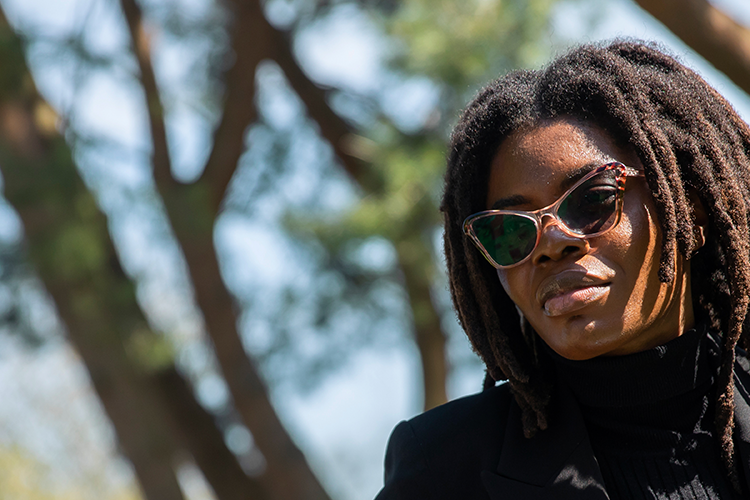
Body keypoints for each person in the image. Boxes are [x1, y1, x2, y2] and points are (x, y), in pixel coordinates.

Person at [374, 40, 750, 499]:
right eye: (511, 231)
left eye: (592, 199)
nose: (551, 243)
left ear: (692, 209)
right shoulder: (444, 467)